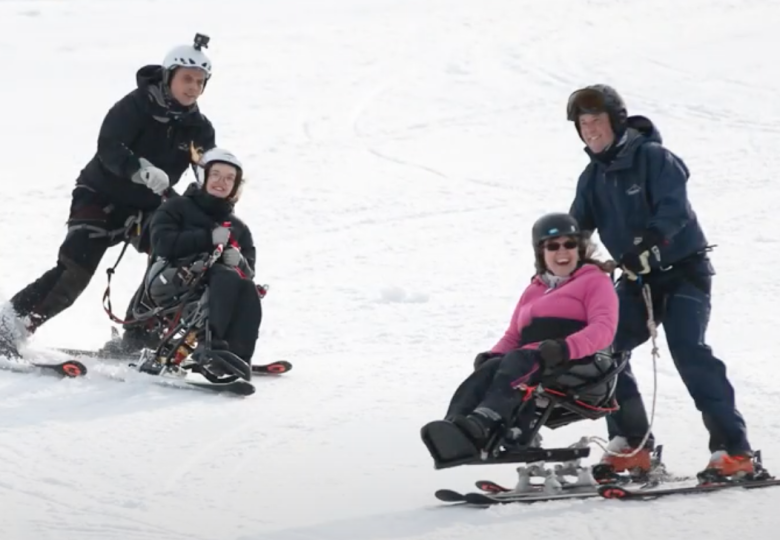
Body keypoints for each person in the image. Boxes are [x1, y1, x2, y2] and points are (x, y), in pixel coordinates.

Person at [566, 84, 753, 477]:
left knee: (689, 352)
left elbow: (674, 210)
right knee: (606, 350)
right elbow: (577, 230)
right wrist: (562, 263)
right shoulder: (591, 178)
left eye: (596, 121)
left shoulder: (655, 159)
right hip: (637, 280)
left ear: (615, 121)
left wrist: (649, 241)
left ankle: (733, 452)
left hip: (684, 272)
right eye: (583, 124)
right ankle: (632, 443)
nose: (590, 131)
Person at [0, 33, 217, 360]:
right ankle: (10, 326)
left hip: (148, 207)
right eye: (187, 79)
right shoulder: (134, 106)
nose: (193, 88)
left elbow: (207, 172)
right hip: (100, 196)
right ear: (168, 75)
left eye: (200, 82)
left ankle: (140, 335)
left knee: (170, 261)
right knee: (75, 270)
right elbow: (109, 148)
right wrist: (140, 168)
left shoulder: (199, 128)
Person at [421, 213, 619, 466]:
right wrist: (492, 355)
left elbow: (604, 328)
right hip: (533, 362)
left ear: (579, 249)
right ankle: (455, 427)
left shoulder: (594, 281)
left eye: (569, 244)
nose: (562, 251)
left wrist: (566, 347)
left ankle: (484, 422)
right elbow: (513, 335)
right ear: (541, 252)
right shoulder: (534, 289)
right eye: (553, 246)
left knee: (518, 360)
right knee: (491, 367)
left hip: (580, 364)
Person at [144, 148, 262, 367]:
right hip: (169, 280)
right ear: (203, 177)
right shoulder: (176, 207)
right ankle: (210, 347)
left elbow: (249, 272)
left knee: (247, 289)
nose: (222, 182)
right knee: (222, 277)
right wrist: (207, 238)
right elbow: (162, 243)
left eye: (229, 178)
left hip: (214, 286)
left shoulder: (239, 228)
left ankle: (237, 355)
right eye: (216, 174)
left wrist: (239, 262)